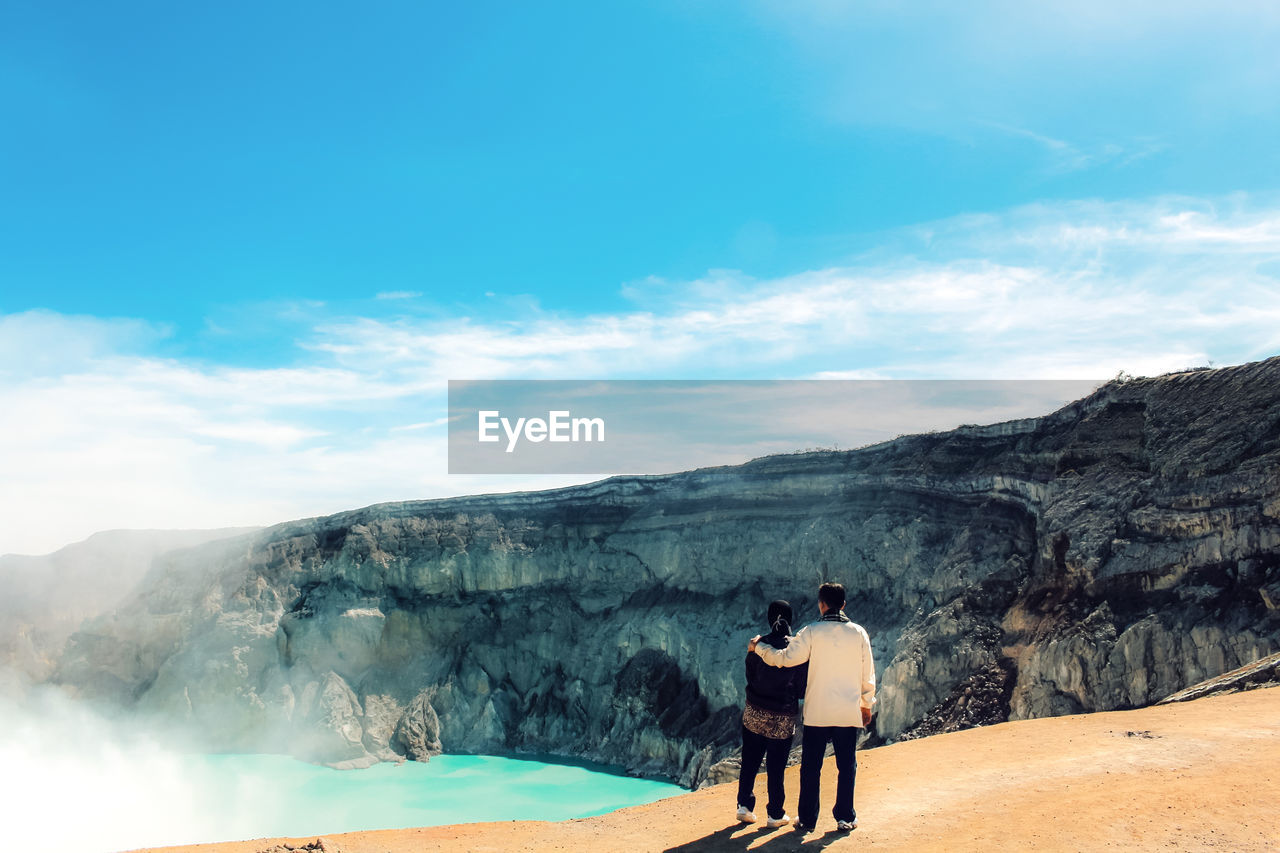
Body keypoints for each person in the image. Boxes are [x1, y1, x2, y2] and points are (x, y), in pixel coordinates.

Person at [749, 582, 875, 834]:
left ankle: (807, 819)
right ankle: (845, 817)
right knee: (846, 766)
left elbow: (784, 660)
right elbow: (867, 673)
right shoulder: (859, 633)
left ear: (821, 603)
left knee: (811, 768)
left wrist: (759, 647)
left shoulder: (811, 632)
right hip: (847, 712)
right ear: (843, 604)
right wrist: (866, 704)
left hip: (818, 712)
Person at [736, 599, 807, 828]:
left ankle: (744, 807)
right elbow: (802, 687)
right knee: (776, 767)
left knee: (750, 760)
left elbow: (750, 674)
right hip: (782, 717)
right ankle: (775, 814)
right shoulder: (796, 649)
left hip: (754, 711)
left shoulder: (759, 645)